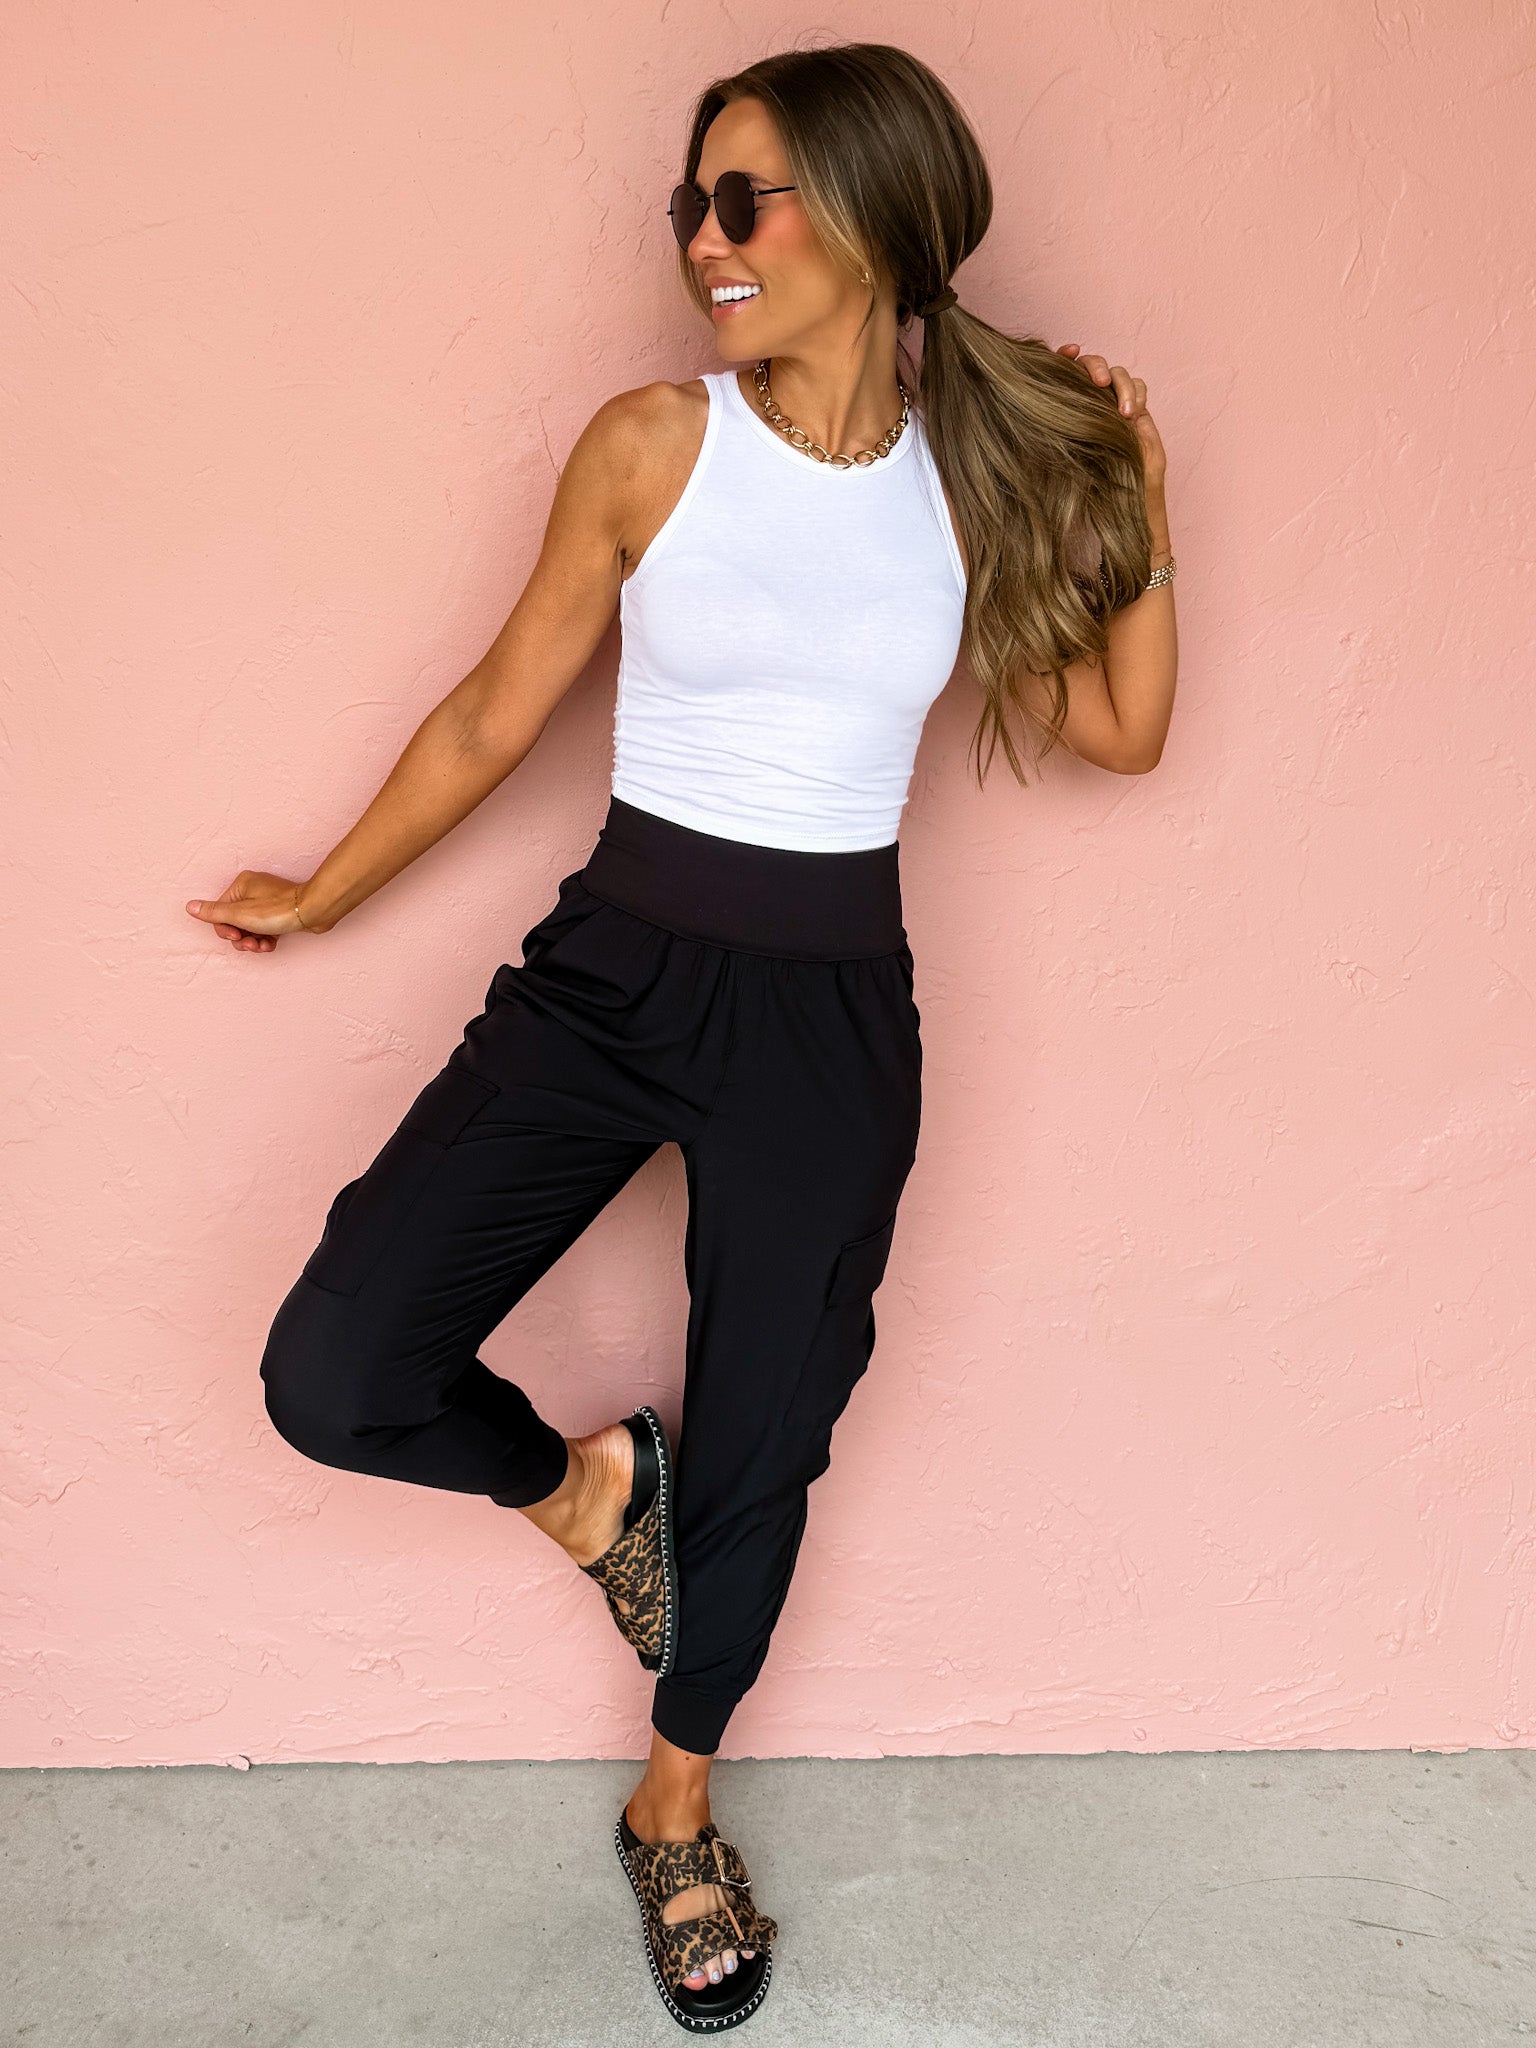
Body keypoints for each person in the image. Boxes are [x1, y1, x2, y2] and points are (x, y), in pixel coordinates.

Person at [185, 41, 1176, 2034]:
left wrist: (1146, 497)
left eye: (747, 199)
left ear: (877, 214)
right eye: (690, 204)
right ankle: (585, 1498)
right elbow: (498, 708)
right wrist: (328, 891)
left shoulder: (977, 480)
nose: (705, 240)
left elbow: (1119, 731)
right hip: (614, 973)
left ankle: (676, 1804)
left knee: (769, 1433)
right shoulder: (653, 445)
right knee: (336, 1366)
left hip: (830, 1016)